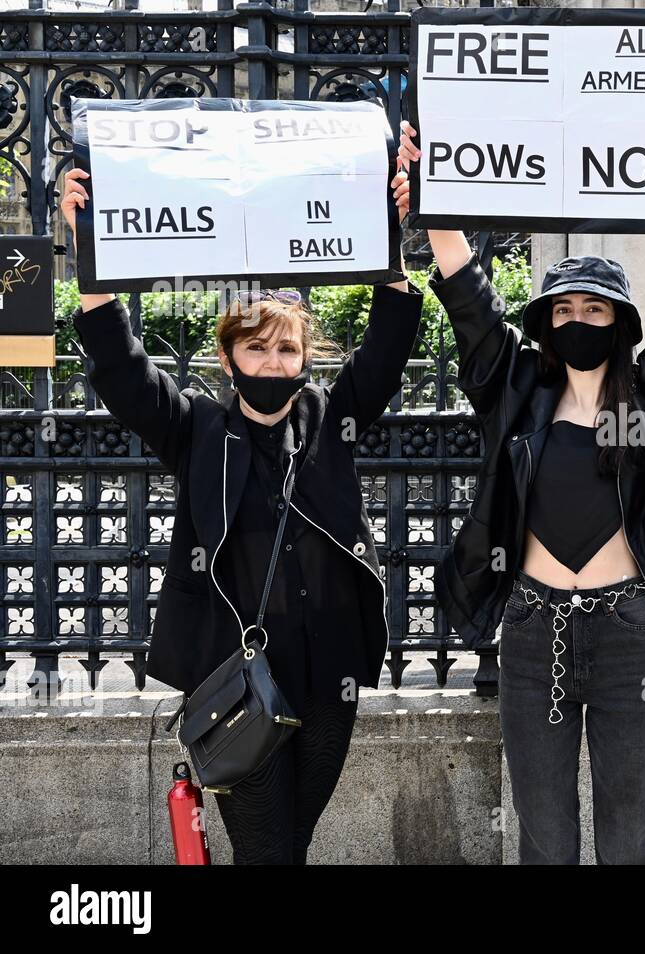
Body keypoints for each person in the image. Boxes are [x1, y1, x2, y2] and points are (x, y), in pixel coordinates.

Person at [396, 105, 645, 864]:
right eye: (564, 308)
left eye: (594, 308)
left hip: (627, 634)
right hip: (531, 628)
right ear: (545, 321)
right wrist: (432, 187)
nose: (578, 319)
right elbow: (465, 290)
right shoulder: (515, 385)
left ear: (618, 321)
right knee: (544, 841)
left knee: (627, 840)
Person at [61, 163, 424, 864]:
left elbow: (386, 347)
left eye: (286, 347)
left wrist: (390, 240)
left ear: (305, 357)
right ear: (228, 359)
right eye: (255, 347)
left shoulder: (332, 418)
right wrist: (91, 258)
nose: (271, 360)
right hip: (237, 679)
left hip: (329, 678)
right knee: (267, 851)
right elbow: (125, 371)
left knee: (291, 843)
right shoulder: (197, 429)